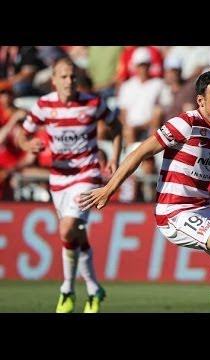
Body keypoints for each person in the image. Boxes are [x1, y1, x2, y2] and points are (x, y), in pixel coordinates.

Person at [79, 70, 210, 313]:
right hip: (173, 212)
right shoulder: (185, 124)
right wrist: (109, 188)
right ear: (201, 100)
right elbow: (140, 152)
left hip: (201, 209)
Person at [18, 57, 123, 313]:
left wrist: (114, 158)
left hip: (86, 174)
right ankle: (94, 289)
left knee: (67, 229)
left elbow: (116, 125)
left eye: (73, 76)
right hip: (59, 178)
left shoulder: (92, 102)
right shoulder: (44, 105)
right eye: (63, 76)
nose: (69, 81)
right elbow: (24, 133)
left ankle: (66, 289)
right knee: (75, 233)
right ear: (54, 80)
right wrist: (27, 145)